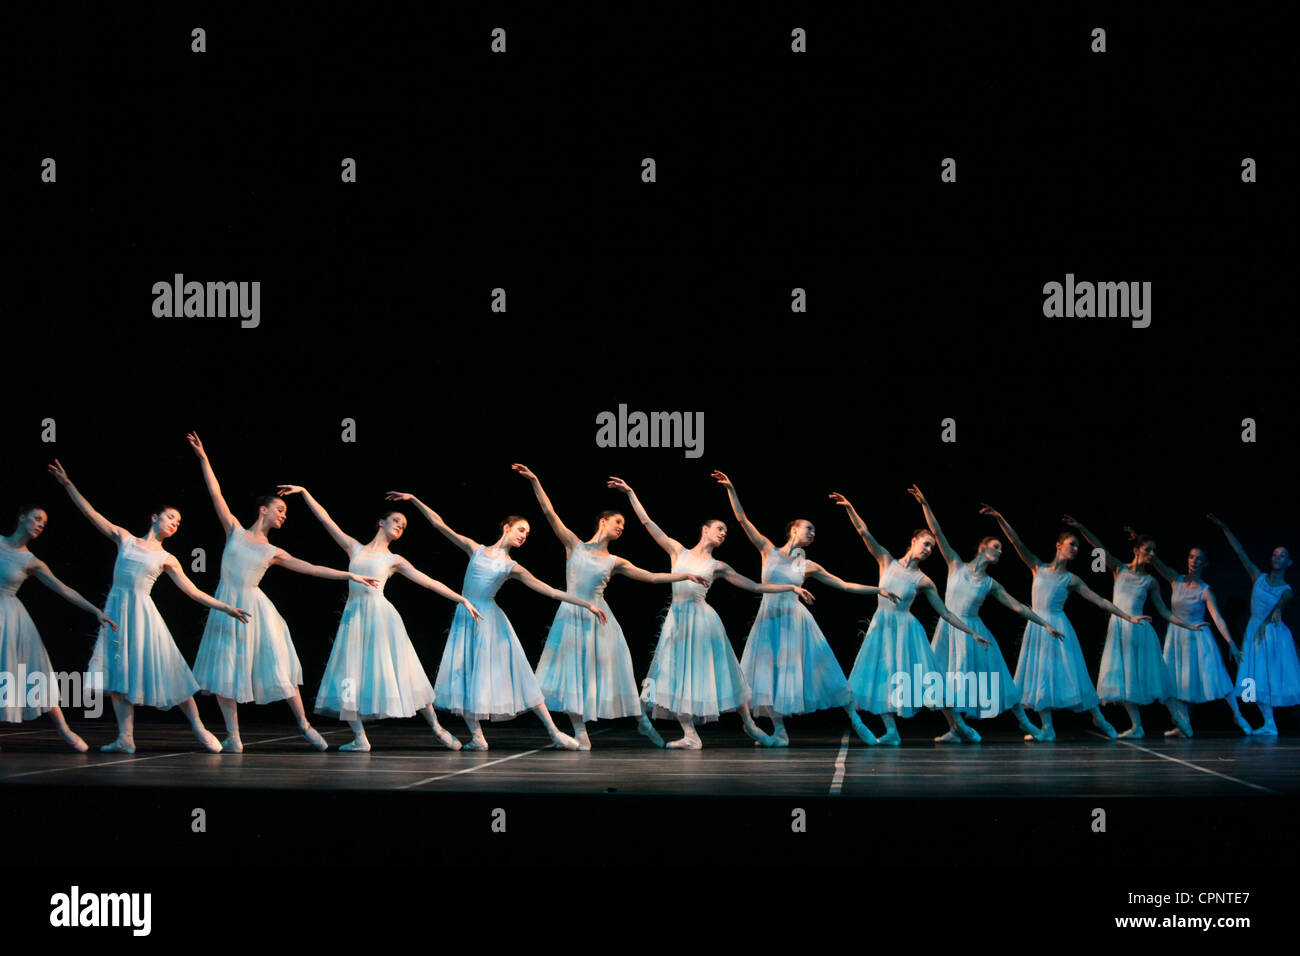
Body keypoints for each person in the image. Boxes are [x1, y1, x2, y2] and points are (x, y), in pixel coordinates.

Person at [188, 433, 384, 753]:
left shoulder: (273, 550)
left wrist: (349, 573)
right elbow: (215, 493)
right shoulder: (234, 530)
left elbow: (310, 567)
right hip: (225, 606)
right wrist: (203, 458)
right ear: (263, 509)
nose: (283, 515)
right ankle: (234, 736)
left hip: (255, 609)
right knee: (223, 671)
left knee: (280, 666)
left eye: (285, 513)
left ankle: (304, 725)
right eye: (279, 509)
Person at [49, 459, 245, 754]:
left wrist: (225, 607)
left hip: (143, 616)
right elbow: (92, 514)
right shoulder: (125, 539)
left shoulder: (167, 558)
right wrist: (68, 485)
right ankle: (125, 738)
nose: (174, 524)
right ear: (155, 517)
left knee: (171, 669)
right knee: (117, 675)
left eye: (178, 523)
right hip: (116, 613)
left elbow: (193, 592)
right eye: (170, 518)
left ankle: (198, 726)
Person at [388, 490, 607, 752]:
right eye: (521, 529)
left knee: (520, 674)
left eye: (527, 533)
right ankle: (477, 736)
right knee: (465, 676)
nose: (524, 535)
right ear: (506, 528)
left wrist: (587, 603)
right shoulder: (476, 550)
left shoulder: (511, 566)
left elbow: (549, 590)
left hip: (491, 622)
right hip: (466, 617)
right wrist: (414, 500)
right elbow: (439, 525)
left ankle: (555, 731)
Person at [608, 477, 814, 750]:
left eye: (725, 532)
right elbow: (649, 524)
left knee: (723, 672)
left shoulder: (719, 566)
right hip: (678, 620)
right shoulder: (677, 550)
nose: (723, 533)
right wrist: (631, 493)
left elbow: (754, 585)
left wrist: (790, 587)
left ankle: (750, 724)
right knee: (674, 675)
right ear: (704, 530)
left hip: (703, 621)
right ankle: (690, 734)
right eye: (719, 529)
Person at [513, 464, 709, 750]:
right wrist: (534, 481)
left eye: (624, 526)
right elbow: (548, 513)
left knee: (617, 672)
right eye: (617, 522)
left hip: (601, 619)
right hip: (571, 615)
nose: (621, 527)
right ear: (603, 522)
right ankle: (581, 733)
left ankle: (641, 720)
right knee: (572, 676)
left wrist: (684, 574)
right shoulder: (574, 545)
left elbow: (652, 577)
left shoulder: (615, 561)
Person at [277, 485, 480, 753]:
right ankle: (360, 738)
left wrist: (461, 599)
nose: (400, 526)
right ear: (381, 523)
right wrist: (304, 493)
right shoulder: (355, 548)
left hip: (382, 618)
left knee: (406, 671)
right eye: (396, 520)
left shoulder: (394, 559)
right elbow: (325, 519)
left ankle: (437, 728)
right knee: (349, 678)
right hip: (354, 620)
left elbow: (429, 582)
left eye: (404, 525)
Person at [713, 470, 899, 747]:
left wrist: (877, 589)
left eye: (814, 531)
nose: (812, 533)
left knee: (826, 671)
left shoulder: (807, 566)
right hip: (769, 620)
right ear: (793, 530)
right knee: (769, 676)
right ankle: (780, 731)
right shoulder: (768, 550)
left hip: (796, 621)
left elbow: (844, 585)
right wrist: (731, 489)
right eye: (808, 528)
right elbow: (742, 520)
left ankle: (855, 720)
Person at [907, 485, 1063, 741]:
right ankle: (955, 727)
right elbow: (937, 531)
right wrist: (925, 503)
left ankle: (1025, 723)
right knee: (943, 680)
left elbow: (1019, 606)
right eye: (996, 546)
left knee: (997, 677)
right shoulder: (955, 563)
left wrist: (1045, 623)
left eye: (1001, 548)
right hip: (950, 628)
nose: (1000, 551)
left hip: (974, 632)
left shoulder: (991, 584)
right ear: (982, 548)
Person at [830, 492, 986, 745]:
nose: (928, 550)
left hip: (906, 631)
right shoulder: (886, 561)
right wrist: (849, 507)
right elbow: (863, 532)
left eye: (932, 548)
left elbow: (945, 613)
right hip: (882, 627)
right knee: (882, 677)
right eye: (925, 544)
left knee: (929, 679)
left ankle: (959, 725)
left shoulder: (924, 581)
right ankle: (891, 731)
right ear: (913, 541)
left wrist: (972, 632)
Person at [1063, 516, 1197, 738]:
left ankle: (1180, 721)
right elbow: (1099, 548)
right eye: (1148, 550)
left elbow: (1164, 611)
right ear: (1136, 550)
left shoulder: (1151, 582)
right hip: (1120, 629)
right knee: (1121, 679)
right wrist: (1080, 527)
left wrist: (1188, 626)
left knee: (1155, 678)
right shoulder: (1119, 569)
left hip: (1141, 631)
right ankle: (1137, 726)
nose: (1152, 554)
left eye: (1154, 550)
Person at [0, 503, 117, 751]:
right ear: (22, 517)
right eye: (37, 518)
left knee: (36, 671)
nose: (41, 525)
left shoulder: (32, 562)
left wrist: (95, 610)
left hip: (10, 618)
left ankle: (64, 729)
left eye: (44, 523)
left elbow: (64, 589)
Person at [1208, 514, 1297, 735]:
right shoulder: (1258, 576)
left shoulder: (1287, 589)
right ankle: (1269, 723)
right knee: (1253, 679)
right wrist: (1224, 527)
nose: (1277, 557)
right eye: (1275, 554)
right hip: (1254, 631)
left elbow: (1283, 603)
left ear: (1289, 562)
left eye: (1282, 555)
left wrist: (1273, 614)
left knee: (1274, 678)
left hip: (1273, 636)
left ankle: (1271, 723)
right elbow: (1240, 553)